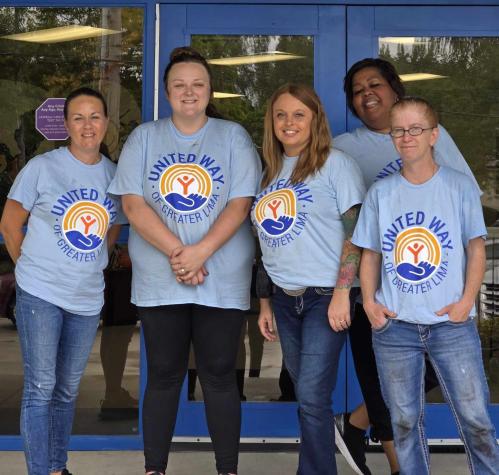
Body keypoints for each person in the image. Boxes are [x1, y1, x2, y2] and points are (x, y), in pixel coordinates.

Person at [107, 46, 261, 475]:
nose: (188, 92)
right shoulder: (145, 137)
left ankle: (227, 469)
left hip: (221, 276)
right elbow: (134, 205)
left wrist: (200, 252)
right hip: (161, 278)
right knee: (163, 376)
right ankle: (155, 468)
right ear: (167, 91)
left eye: (197, 84)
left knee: (218, 376)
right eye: (179, 85)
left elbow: (240, 202)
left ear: (209, 90)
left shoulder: (232, 137)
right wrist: (181, 254)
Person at [333, 57, 480, 475]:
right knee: (379, 375)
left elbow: (463, 196)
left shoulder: (435, 136)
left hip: (436, 283)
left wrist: (468, 280)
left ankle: (355, 422)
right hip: (373, 284)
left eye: (375, 84)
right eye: (358, 90)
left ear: (395, 90)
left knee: (436, 365)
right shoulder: (343, 148)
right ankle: (400, 467)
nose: (367, 94)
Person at [0, 87, 123, 475]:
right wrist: (28, 270)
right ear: (67, 124)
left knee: (67, 389)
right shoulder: (42, 167)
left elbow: (113, 227)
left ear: (106, 123)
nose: (88, 125)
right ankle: (41, 471)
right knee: (41, 387)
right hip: (41, 293)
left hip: (86, 298)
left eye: (95, 117)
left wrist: (94, 261)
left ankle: (57, 467)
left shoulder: (113, 175)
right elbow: (9, 223)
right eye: (78, 118)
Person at [254, 83, 365, 475]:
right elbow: (267, 240)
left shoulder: (336, 164)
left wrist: (342, 293)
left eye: (299, 114)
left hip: (324, 297)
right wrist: (265, 301)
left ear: (315, 119)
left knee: (313, 395)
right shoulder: (267, 169)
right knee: (306, 394)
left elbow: (356, 234)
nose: (289, 122)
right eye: (281, 114)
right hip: (284, 298)